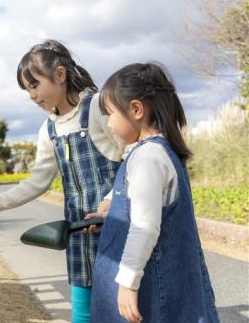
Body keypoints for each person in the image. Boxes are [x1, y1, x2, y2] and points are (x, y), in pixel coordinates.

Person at [0, 40, 125, 323]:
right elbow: (37, 181)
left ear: (61, 75)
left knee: (123, 308)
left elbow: (131, 159)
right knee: (82, 314)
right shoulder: (49, 129)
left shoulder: (98, 107)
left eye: (34, 85)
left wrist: (112, 200)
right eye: (27, 90)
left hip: (117, 227)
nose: (32, 95)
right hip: (79, 234)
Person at [89, 63, 219, 323]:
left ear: (136, 109)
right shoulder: (159, 151)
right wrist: (110, 215)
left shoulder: (147, 157)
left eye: (110, 114)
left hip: (150, 288)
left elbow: (145, 226)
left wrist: (127, 283)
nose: (109, 124)